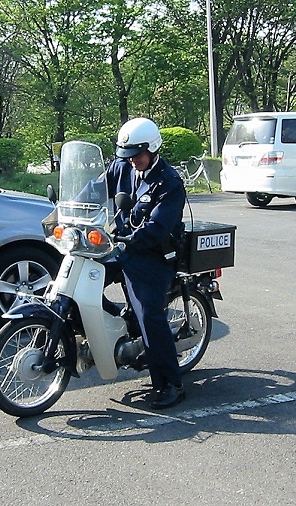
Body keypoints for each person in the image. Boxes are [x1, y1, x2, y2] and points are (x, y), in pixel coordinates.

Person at [102, 117, 187, 409]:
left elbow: (158, 227)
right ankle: (119, 321)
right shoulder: (121, 166)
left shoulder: (170, 182)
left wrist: (128, 240)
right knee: (83, 279)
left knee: (149, 314)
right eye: (126, 155)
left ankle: (170, 383)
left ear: (152, 149)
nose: (132, 161)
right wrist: (68, 209)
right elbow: (94, 190)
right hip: (122, 247)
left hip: (154, 255)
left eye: (137, 155)